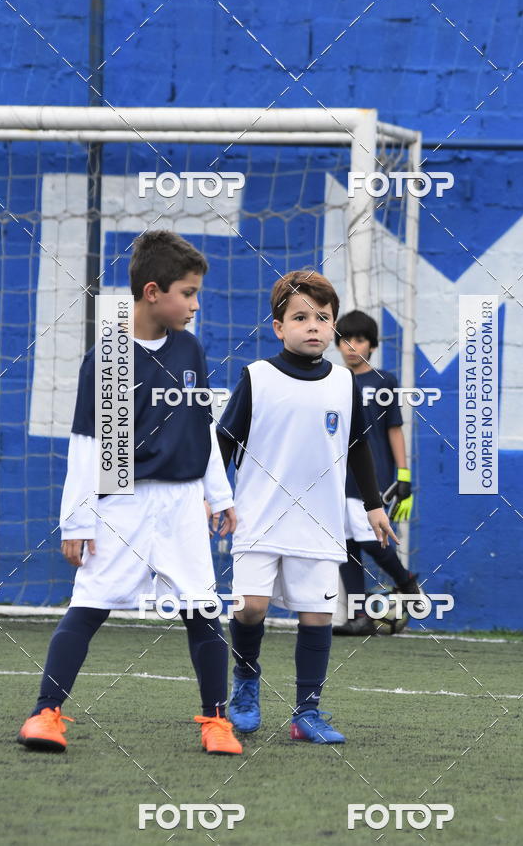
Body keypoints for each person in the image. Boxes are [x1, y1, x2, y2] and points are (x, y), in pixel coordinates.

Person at [17, 231, 243, 755]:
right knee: (90, 604)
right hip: (123, 500)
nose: (194, 303)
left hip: (185, 501)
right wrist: (77, 520)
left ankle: (216, 721)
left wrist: (221, 493)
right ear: (151, 292)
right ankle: (45, 714)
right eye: (187, 293)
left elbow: (201, 427)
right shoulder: (111, 357)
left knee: (202, 608)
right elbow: (87, 445)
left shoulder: (190, 348)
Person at [216, 270, 396, 744]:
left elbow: (358, 448)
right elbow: (224, 441)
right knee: (251, 607)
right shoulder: (257, 376)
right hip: (259, 516)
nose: (313, 326)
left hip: (320, 522)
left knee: (317, 616)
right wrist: (215, 498)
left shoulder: (342, 382)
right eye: (301, 317)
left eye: (323, 317)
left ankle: (306, 713)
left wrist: (374, 506)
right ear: (279, 326)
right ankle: (247, 685)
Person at [332, 310, 424, 637]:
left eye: (359, 340)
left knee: (371, 538)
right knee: (343, 546)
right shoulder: (332, 380)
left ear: (371, 345)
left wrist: (403, 475)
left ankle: (405, 581)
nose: (351, 346)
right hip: (337, 478)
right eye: (345, 340)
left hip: (373, 477)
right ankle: (360, 615)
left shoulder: (385, 381)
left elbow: (394, 429)